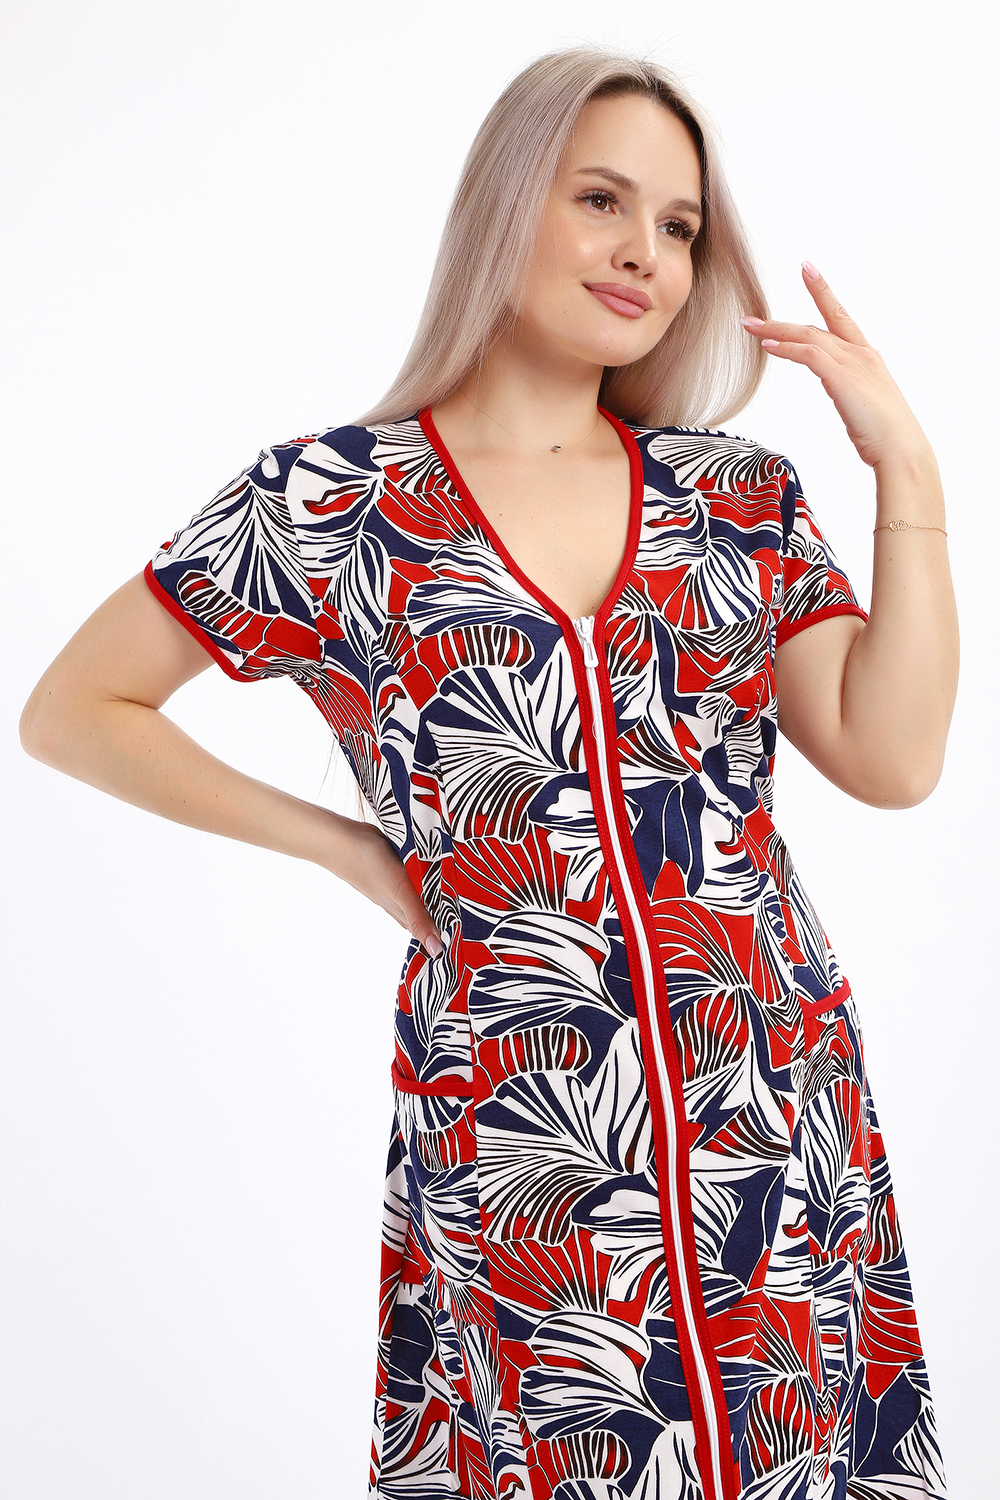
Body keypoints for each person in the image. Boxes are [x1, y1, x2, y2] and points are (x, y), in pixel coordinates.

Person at [19, 44, 957, 1500]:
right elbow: (76, 709)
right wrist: (347, 846)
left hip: (774, 1106)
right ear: (508, 201)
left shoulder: (735, 497)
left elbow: (893, 761)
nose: (643, 253)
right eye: (602, 200)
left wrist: (910, 470)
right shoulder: (331, 504)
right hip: (528, 1130)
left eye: (678, 226)